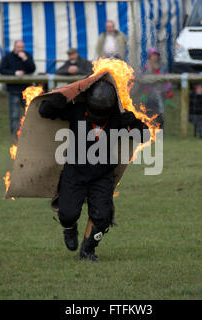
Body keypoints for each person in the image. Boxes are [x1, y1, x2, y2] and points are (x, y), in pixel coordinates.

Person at [38, 78, 149, 261]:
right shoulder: (77, 111)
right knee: (67, 214)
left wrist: (135, 123)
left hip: (102, 173)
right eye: (95, 109)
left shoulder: (117, 117)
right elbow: (44, 112)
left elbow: (144, 136)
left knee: (102, 217)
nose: (99, 113)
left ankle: (88, 250)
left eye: (103, 110)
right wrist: (54, 103)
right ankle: (69, 227)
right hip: (75, 170)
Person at [0, 40, 36, 137]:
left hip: (27, 90)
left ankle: (28, 132)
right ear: (14, 47)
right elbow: (2, 70)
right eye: (18, 47)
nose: (20, 49)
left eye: (22, 47)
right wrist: (15, 73)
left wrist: (25, 59)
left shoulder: (27, 56)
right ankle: (15, 133)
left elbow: (32, 68)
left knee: (27, 112)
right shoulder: (8, 57)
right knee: (14, 114)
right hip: (13, 89)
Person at [140, 47, 174, 129]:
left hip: (160, 93)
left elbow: (167, 80)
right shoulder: (146, 67)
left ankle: (159, 131)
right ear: (149, 57)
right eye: (152, 55)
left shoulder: (162, 67)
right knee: (147, 112)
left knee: (159, 112)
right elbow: (140, 77)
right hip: (149, 93)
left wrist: (167, 90)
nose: (154, 57)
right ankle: (147, 131)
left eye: (156, 55)